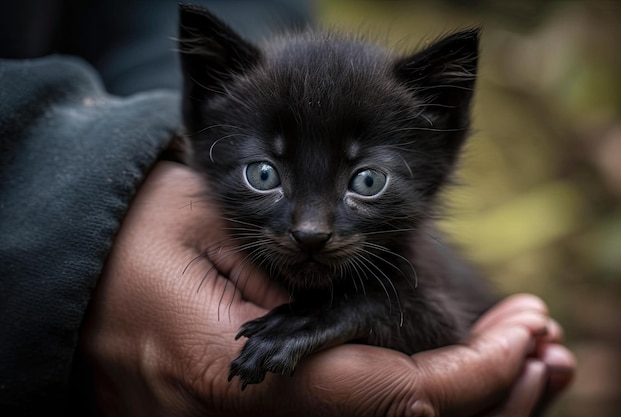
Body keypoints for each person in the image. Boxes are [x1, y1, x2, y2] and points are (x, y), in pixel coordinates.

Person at [0, 1, 575, 416]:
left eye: (365, 180)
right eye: (265, 174)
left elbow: (433, 317)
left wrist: (340, 316)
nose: (309, 228)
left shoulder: (403, 277)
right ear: (204, 128)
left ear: (441, 141)